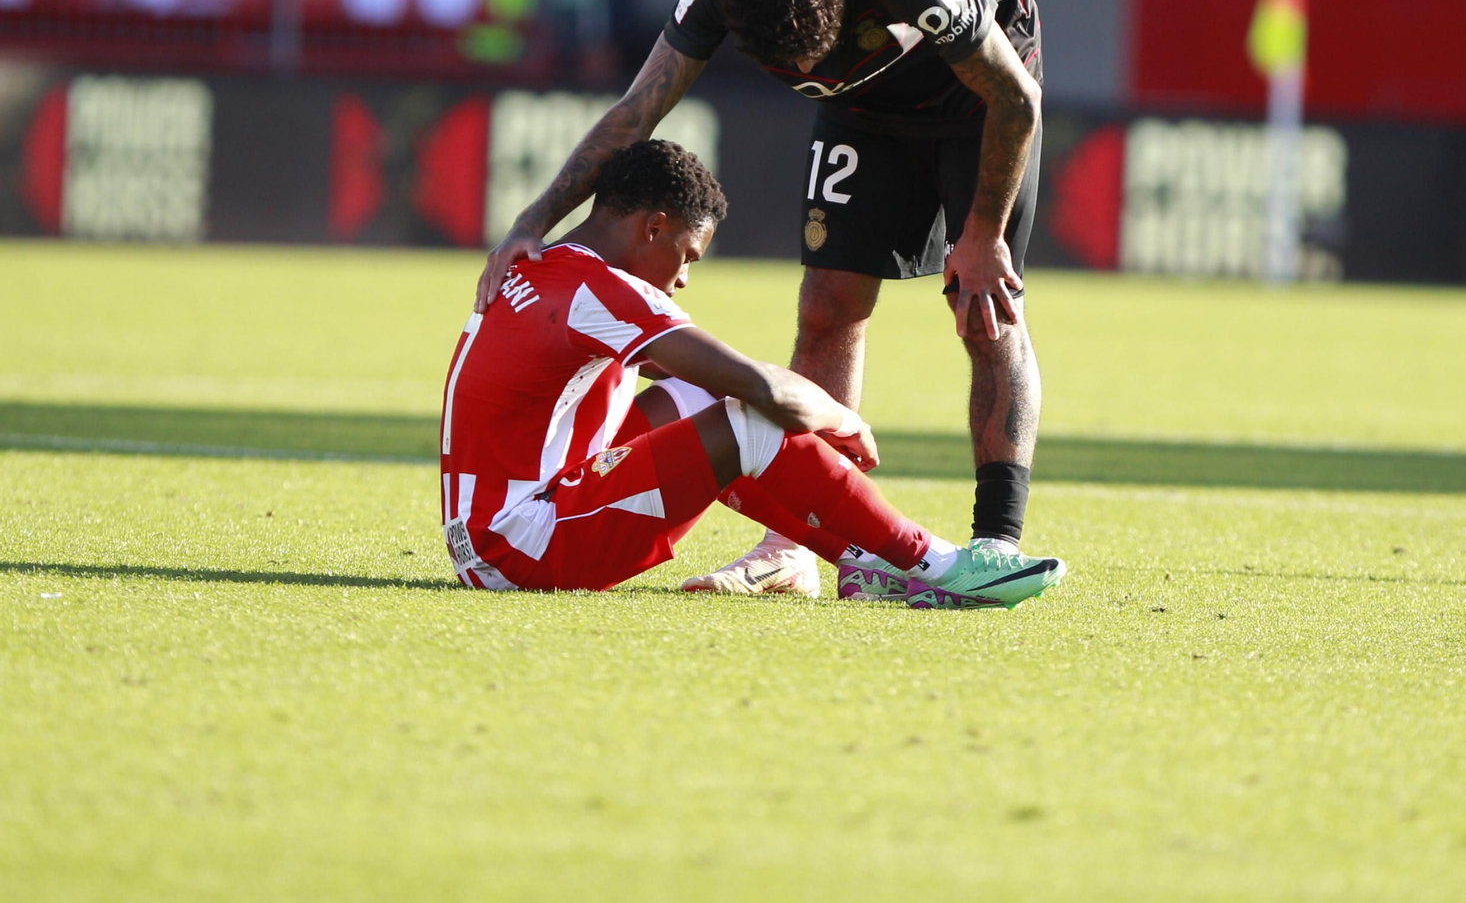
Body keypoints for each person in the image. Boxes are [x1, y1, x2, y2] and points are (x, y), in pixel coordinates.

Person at [476, 0, 1046, 599]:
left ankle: (996, 541)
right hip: (864, 114)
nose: (808, 72)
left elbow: (1018, 98)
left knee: (983, 311)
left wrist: (983, 234)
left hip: (978, 99)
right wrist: (533, 219)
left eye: (816, 56)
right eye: (791, 68)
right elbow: (636, 112)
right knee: (826, 306)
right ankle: (792, 552)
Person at [445, 138, 1064, 608]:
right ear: (652, 227)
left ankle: (853, 560)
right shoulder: (604, 292)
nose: (683, 277)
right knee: (752, 421)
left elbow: (699, 375)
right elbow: (764, 390)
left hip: (494, 534)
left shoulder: (545, 266)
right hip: (522, 547)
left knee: (696, 396)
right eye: (685, 255)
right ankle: (943, 569)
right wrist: (843, 417)